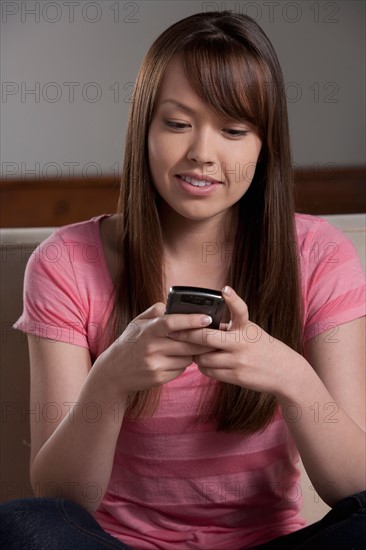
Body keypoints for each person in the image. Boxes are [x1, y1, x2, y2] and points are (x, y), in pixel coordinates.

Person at [1, 10, 365, 550]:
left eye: (234, 130)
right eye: (177, 123)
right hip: (117, 546)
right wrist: (111, 380)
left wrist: (292, 377)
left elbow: (354, 489)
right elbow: (59, 497)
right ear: (143, 129)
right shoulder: (65, 262)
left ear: (265, 148)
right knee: (21, 525)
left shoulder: (319, 255)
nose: (202, 153)